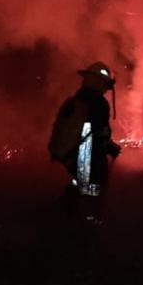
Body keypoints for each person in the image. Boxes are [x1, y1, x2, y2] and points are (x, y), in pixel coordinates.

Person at [48, 61, 121, 219]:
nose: (106, 89)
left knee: (80, 183)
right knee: (94, 188)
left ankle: (67, 214)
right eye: (105, 84)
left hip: (71, 153)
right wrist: (110, 148)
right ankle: (89, 222)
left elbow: (86, 130)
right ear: (100, 82)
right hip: (87, 154)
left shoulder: (77, 100)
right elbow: (98, 133)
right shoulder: (98, 103)